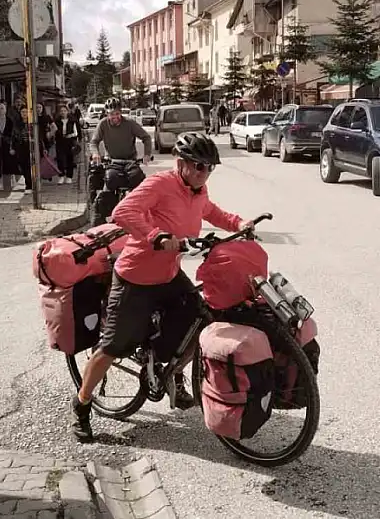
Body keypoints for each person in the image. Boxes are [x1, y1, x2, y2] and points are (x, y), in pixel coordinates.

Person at [70, 132, 251, 442]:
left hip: (168, 275)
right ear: (180, 163)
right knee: (112, 347)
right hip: (135, 278)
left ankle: (172, 375)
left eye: (209, 167)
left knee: (202, 318)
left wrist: (239, 223)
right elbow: (123, 212)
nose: (203, 173)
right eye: (197, 166)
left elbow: (211, 212)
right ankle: (81, 406)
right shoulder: (161, 184)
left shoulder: (199, 190)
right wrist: (155, 236)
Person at [53, 104, 80, 184]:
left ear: (67, 111)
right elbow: (54, 130)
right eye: (61, 111)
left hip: (70, 141)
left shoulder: (72, 120)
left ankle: (69, 176)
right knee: (60, 159)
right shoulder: (57, 121)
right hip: (60, 141)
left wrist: (70, 136)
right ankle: (61, 176)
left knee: (69, 159)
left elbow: (76, 132)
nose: (63, 112)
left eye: (64, 111)